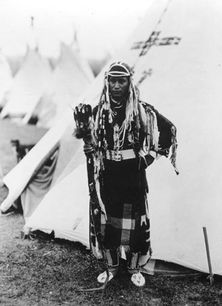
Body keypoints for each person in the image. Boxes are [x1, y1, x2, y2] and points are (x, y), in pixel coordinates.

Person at [73, 61, 178, 287]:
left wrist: (148, 158)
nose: (117, 85)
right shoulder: (97, 112)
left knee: (134, 223)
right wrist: (87, 138)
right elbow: (90, 147)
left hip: (132, 175)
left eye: (122, 81)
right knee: (107, 220)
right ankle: (111, 267)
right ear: (107, 82)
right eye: (113, 80)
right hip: (108, 175)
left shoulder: (142, 111)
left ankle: (134, 268)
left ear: (129, 82)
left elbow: (169, 130)